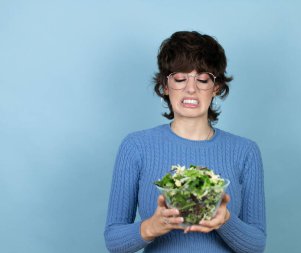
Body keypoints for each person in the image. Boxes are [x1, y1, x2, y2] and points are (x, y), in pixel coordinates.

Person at [104, 31, 266, 253]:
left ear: (216, 87)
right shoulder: (135, 147)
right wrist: (152, 226)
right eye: (180, 78)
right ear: (165, 86)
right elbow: (113, 240)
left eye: (202, 79)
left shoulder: (245, 151)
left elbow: (256, 245)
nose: (191, 88)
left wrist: (225, 220)